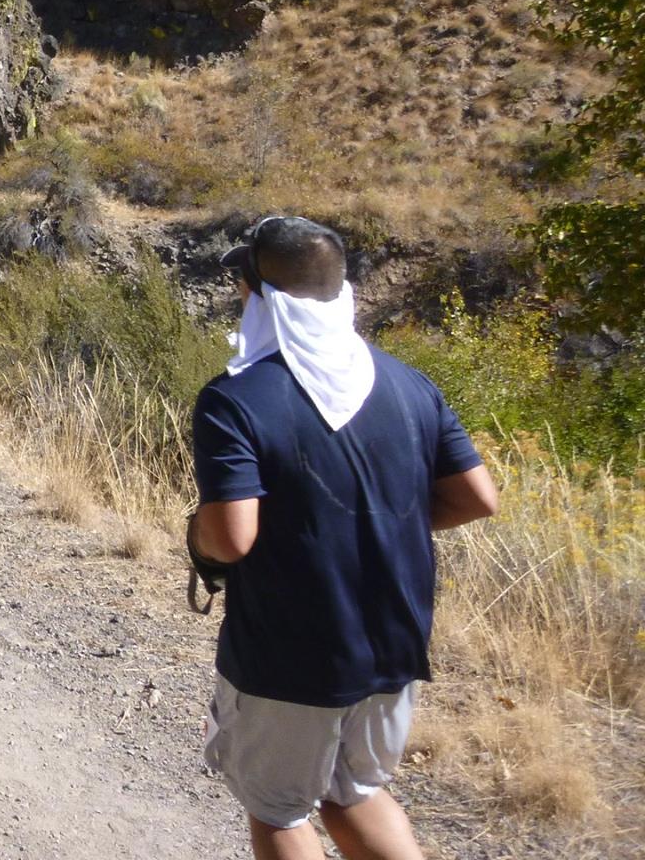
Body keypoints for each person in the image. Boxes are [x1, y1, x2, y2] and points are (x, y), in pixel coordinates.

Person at [188, 216, 499, 860]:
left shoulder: (236, 399)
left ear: (256, 294)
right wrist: (382, 526)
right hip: (395, 639)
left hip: (290, 648)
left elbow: (231, 538)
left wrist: (197, 534)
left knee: (278, 807)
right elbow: (476, 498)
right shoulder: (411, 385)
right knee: (355, 791)